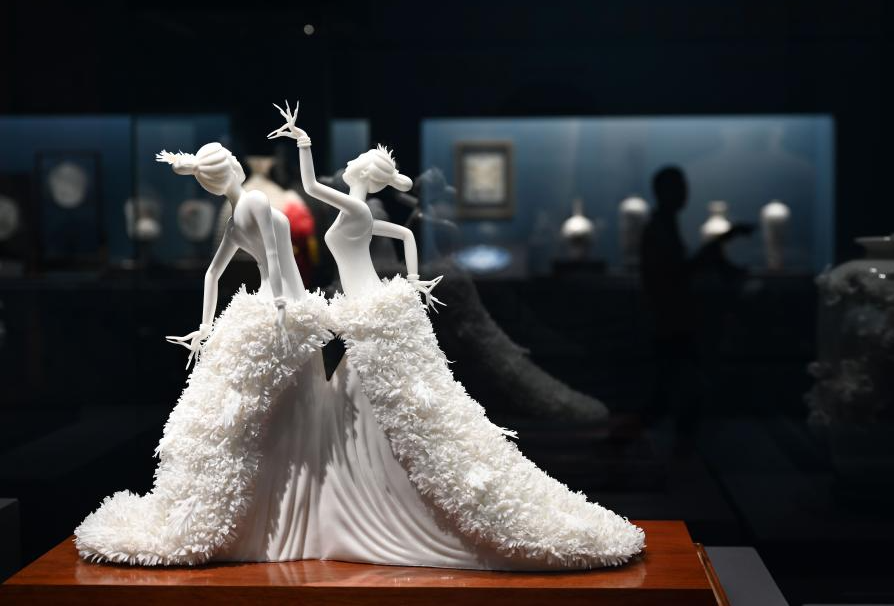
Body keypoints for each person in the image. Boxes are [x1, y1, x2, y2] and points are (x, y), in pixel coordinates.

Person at [266, 100, 644, 570]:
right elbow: (405, 237)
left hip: (365, 310)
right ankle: (356, 496)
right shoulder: (360, 211)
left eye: (355, 164)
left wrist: (303, 142)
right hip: (359, 308)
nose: (349, 167)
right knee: (367, 402)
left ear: (361, 174)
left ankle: (378, 499)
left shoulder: (353, 207)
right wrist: (412, 280)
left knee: (379, 403)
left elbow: (309, 187)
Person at [75, 143, 334, 565]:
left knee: (268, 409)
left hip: (273, 304)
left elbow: (213, 275)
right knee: (291, 405)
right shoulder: (254, 201)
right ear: (232, 167)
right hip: (286, 304)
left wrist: (206, 325)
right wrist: (279, 303)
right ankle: (295, 512)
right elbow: (272, 253)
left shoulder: (233, 223)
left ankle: (284, 510)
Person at [639, 166, 752, 433]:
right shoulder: (658, 229)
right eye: (678, 188)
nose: (684, 194)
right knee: (675, 393)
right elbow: (675, 272)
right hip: (669, 321)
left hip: (673, 320)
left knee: (672, 393)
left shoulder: (665, 226)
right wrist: (721, 241)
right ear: (662, 192)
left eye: (684, 187)